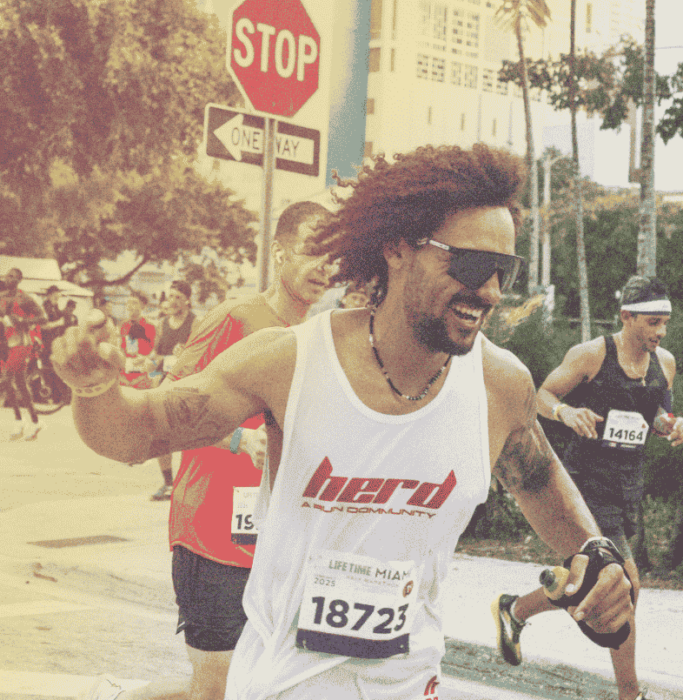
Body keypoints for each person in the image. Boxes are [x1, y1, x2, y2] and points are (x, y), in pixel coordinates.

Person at [54, 144, 634, 700]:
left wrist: (599, 562)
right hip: (280, 687)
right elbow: (134, 433)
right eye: (471, 264)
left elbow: (542, 487)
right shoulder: (289, 362)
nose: (487, 291)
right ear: (398, 247)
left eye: (503, 270)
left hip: (411, 687)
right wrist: (94, 385)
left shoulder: (499, 386)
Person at [79, 201, 332, 700]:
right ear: (279, 253)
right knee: (215, 691)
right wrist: (242, 439)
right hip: (210, 531)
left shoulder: (317, 337)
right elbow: (169, 402)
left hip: (273, 540)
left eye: (333, 254)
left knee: (257, 686)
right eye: (312, 250)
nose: (325, 266)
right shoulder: (236, 318)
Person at [491, 274, 682, 700]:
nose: (660, 332)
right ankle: (629, 695)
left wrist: (673, 426)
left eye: (664, 324)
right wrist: (565, 412)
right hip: (584, 485)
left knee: (592, 582)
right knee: (625, 585)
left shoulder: (663, 363)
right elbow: (541, 395)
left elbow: (658, 415)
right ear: (626, 317)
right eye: (652, 323)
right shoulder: (592, 355)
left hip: (625, 486)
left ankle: (515, 609)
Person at [118, 292, 173, 501]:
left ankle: (168, 479)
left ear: (142, 306)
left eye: (135, 304)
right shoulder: (123, 326)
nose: (131, 308)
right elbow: (122, 346)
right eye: (128, 304)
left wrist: (149, 364)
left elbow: (155, 351)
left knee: (150, 419)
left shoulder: (151, 325)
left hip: (148, 374)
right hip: (128, 372)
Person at [0, 277, 44, 440]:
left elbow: (33, 321)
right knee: (19, 385)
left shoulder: (13, 305)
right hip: (7, 348)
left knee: (6, 381)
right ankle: (31, 421)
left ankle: (22, 421)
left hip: (18, 346)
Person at [146, 280, 195, 386]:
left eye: (178, 297)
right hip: (162, 383)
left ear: (187, 300)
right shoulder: (162, 323)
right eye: (171, 296)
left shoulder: (195, 323)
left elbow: (200, 358)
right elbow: (155, 354)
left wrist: (185, 354)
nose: (172, 301)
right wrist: (149, 361)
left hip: (184, 384)